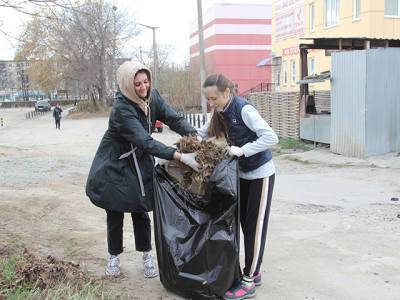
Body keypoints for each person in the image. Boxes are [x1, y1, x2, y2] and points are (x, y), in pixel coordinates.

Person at [86, 61, 200, 278]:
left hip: (140, 163)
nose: (143, 88)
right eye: (137, 84)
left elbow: (173, 118)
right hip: (116, 165)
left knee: (140, 210)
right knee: (115, 211)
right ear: (128, 86)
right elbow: (145, 142)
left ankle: (147, 255)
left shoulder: (153, 97)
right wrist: (181, 156)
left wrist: (195, 135)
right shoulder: (121, 109)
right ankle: (114, 257)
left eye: (145, 82)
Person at [197, 74, 278, 300]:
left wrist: (243, 150)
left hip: (261, 174)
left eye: (213, 98)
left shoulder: (244, 110)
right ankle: (254, 269)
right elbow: (202, 132)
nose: (210, 103)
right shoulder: (220, 112)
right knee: (243, 223)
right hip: (242, 174)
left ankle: (249, 280)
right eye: (208, 99)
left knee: (255, 227)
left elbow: (272, 137)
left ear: (227, 93)